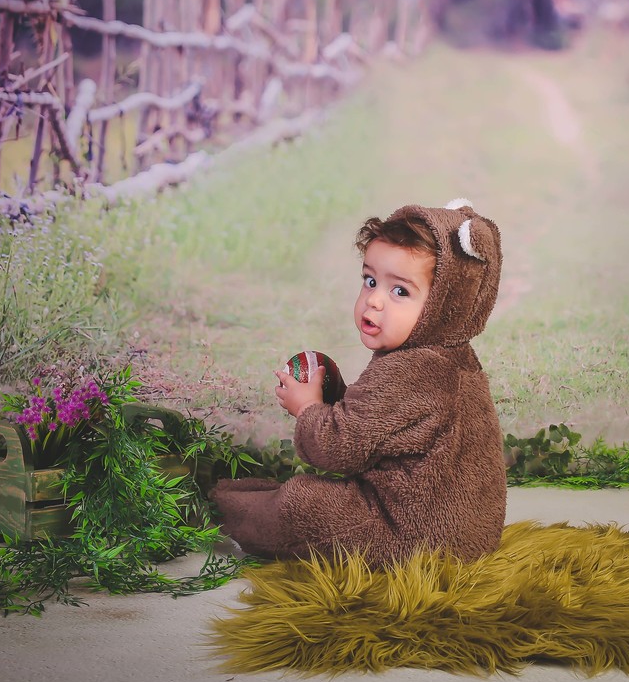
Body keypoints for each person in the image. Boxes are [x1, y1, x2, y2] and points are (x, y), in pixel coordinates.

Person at [210, 199, 507, 567]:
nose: (374, 301)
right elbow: (391, 428)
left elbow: (339, 449)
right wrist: (336, 395)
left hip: (411, 539)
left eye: (400, 291)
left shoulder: (407, 369)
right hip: (469, 532)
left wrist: (307, 407)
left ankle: (213, 510)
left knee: (303, 505)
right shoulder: (452, 356)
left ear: (446, 304)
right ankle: (235, 496)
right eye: (370, 281)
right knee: (311, 495)